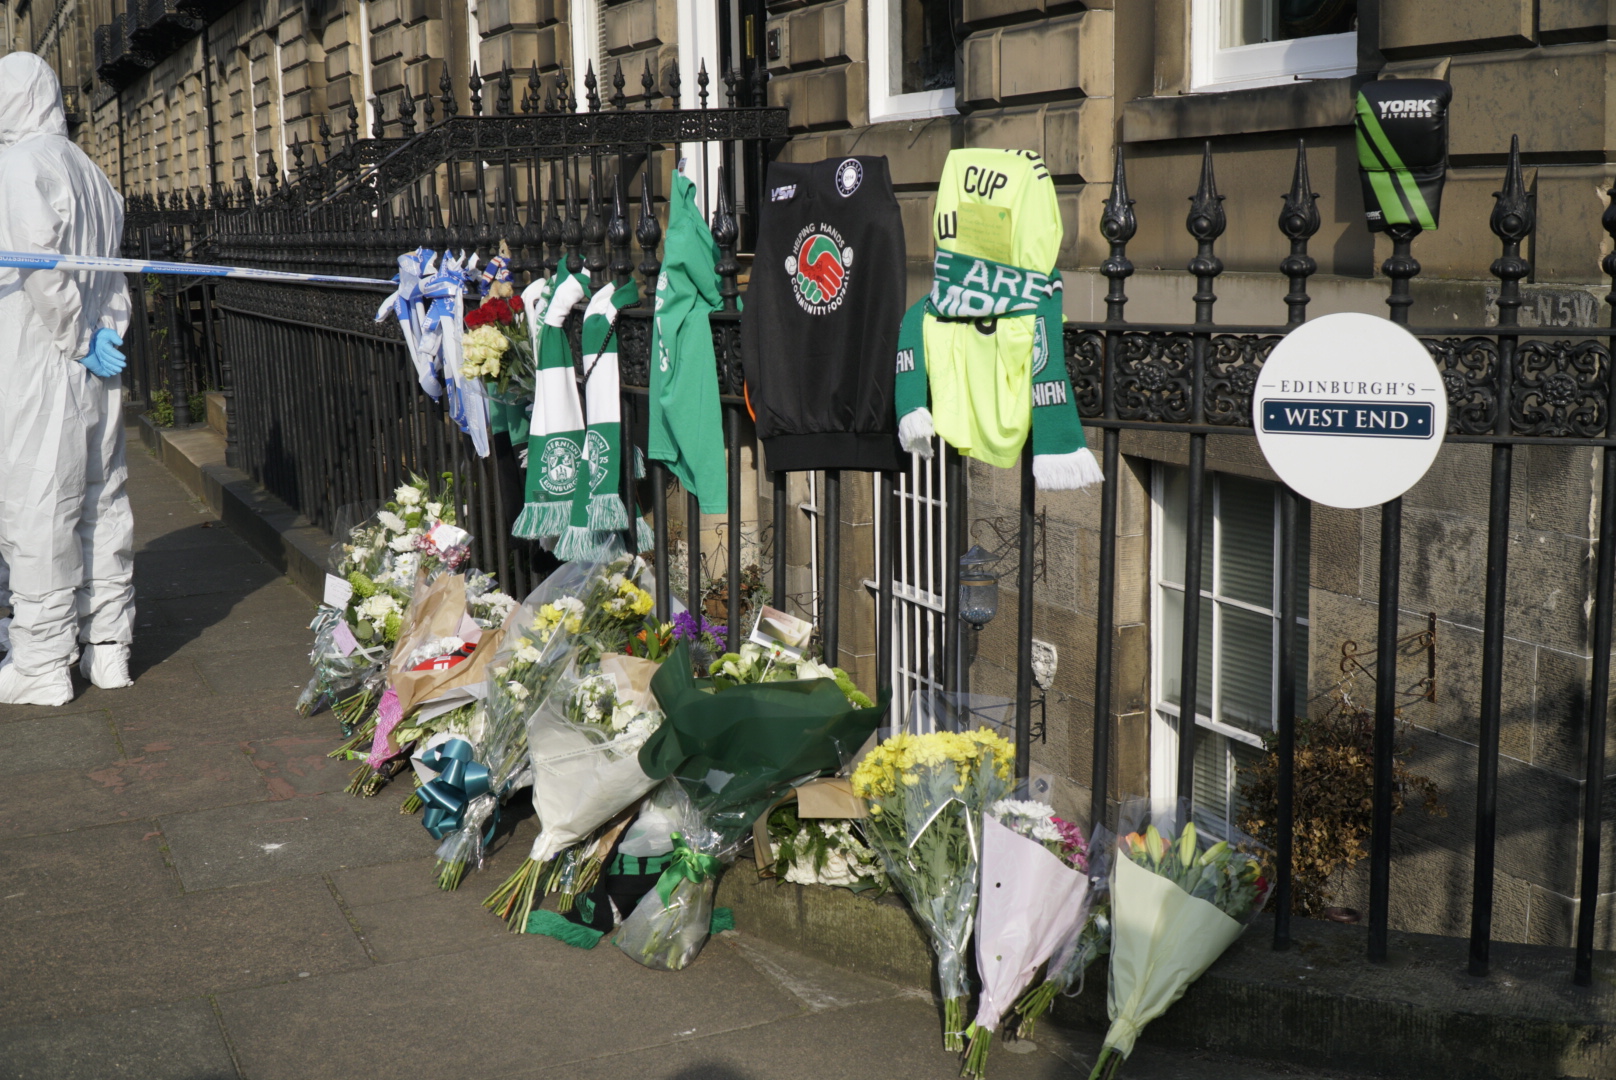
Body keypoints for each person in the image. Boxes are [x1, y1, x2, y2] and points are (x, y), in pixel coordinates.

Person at [0, 52, 135, 705]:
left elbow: (38, 262)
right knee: (101, 498)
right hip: (95, 361)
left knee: (39, 504)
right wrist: (106, 331)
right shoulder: (89, 170)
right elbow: (111, 269)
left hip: (41, 358)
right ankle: (109, 645)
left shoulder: (21, 165)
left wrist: (77, 336)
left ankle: (43, 661)